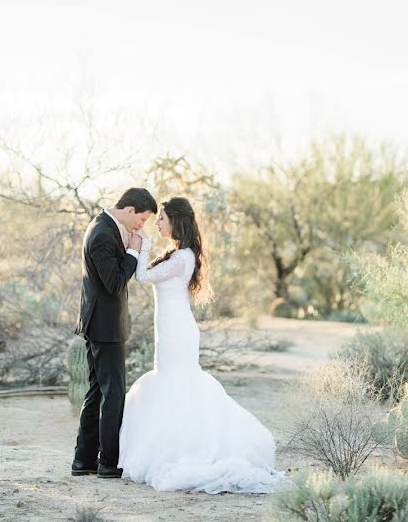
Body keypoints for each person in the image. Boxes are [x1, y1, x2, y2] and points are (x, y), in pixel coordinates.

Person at [118, 197, 284, 493]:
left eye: (162, 219)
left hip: (178, 332)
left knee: (179, 384)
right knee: (171, 383)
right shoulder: (177, 252)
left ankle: (186, 448)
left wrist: (139, 243)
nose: (157, 224)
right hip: (169, 330)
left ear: (176, 221)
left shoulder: (183, 257)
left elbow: (142, 276)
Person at [71, 188, 157, 479]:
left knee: (97, 392)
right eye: (142, 219)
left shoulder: (104, 226)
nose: (141, 226)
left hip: (100, 323)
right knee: (114, 394)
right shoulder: (102, 234)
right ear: (130, 210)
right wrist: (133, 251)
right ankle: (108, 462)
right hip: (105, 326)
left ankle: (83, 461)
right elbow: (114, 282)